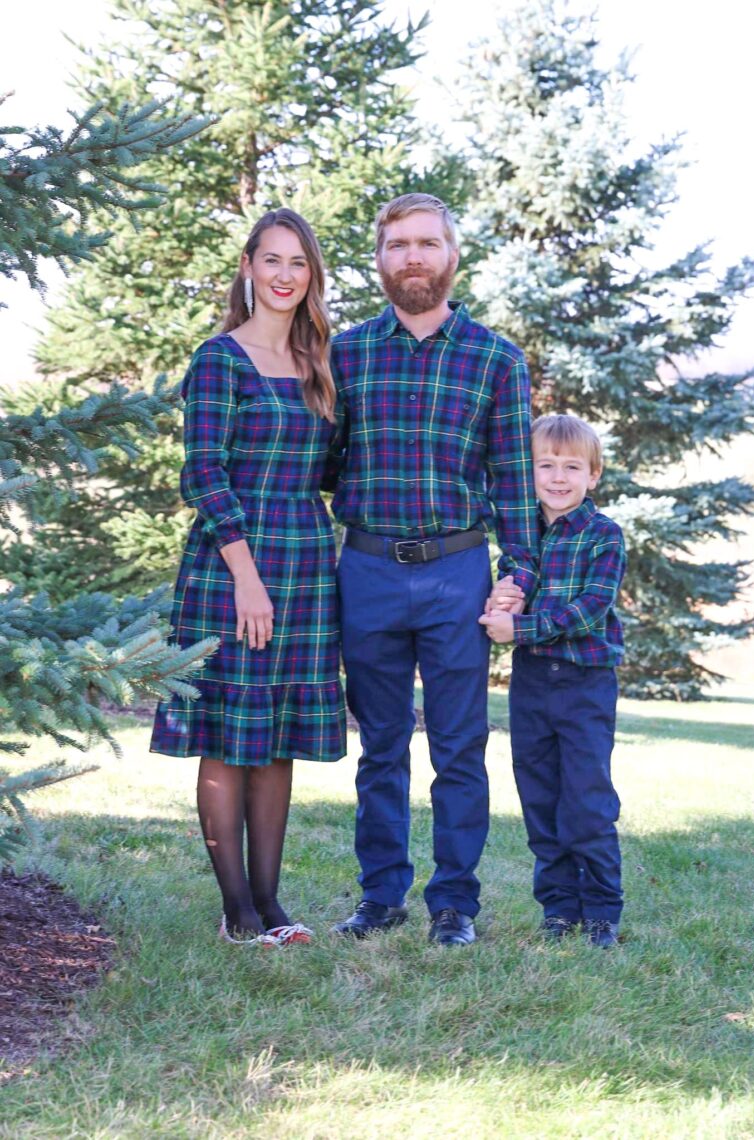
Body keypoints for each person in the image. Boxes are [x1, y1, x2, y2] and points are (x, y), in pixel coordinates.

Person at [326, 192, 539, 946]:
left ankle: (455, 905)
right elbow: (316, 463)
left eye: (427, 243)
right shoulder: (342, 353)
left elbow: (515, 483)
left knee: (458, 747)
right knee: (380, 746)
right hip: (369, 570)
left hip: (458, 575)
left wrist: (517, 577)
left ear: (452, 255)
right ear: (379, 259)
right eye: (397, 246)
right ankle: (381, 897)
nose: (412, 257)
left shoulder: (496, 359)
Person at [151, 208, 346, 947]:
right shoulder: (220, 359)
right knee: (229, 734)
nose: (285, 275)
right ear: (248, 267)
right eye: (272, 260)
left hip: (303, 560)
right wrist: (245, 574)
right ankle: (236, 910)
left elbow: (327, 471)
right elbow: (201, 472)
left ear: (311, 275)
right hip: (231, 564)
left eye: (299, 263)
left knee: (276, 736)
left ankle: (272, 905)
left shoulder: (318, 361)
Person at [480, 414, 626, 947]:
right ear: (528, 472)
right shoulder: (522, 538)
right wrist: (503, 597)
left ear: (593, 476)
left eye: (571, 467)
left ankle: (602, 912)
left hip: (586, 682)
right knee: (540, 797)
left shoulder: (603, 534)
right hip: (533, 681)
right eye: (546, 465)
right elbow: (511, 586)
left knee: (586, 801)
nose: (558, 478)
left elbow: (590, 610)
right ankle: (559, 909)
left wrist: (517, 627)